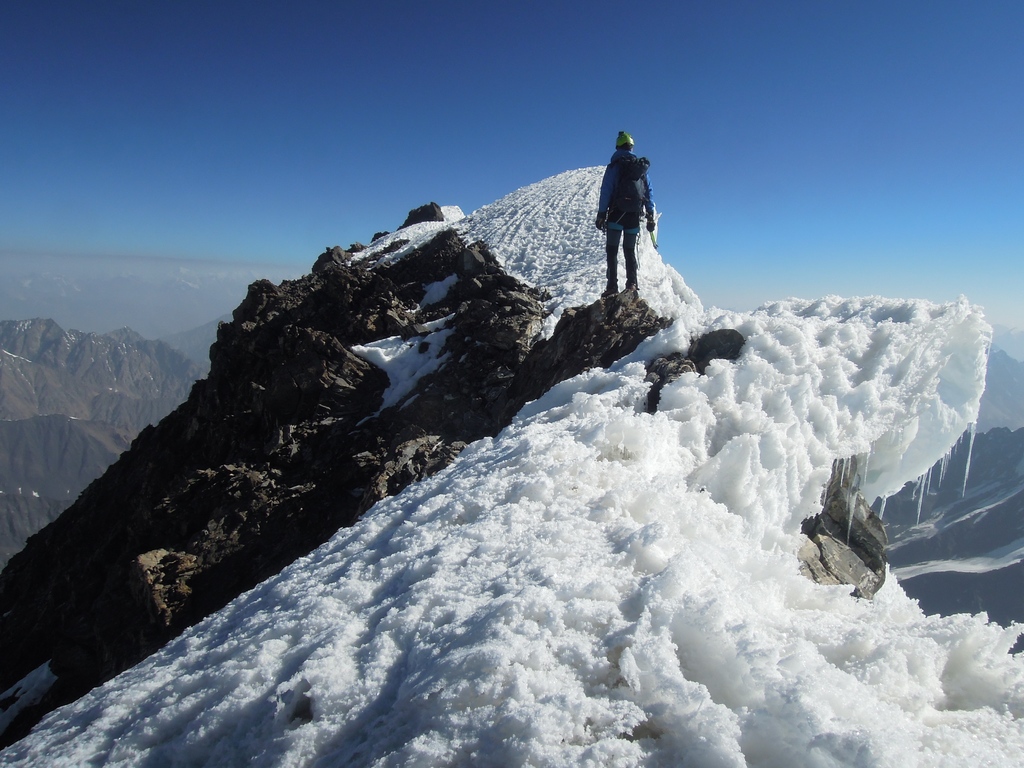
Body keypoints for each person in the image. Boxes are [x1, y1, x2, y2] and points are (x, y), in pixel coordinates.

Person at [595, 131, 656, 296]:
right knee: (629, 251)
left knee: (612, 251)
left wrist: (601, 214)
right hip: (634, 215)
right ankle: (632, 285)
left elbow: (606, 191)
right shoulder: (641, 169)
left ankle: (612, 287)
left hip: (616, 213)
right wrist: (650, 214)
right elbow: (648, 192)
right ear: (631, 147)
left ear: (618, 147)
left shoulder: (614, 166)